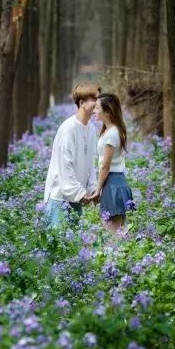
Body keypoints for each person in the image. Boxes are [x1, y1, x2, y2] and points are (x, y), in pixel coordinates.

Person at [43, 83, 100, 227]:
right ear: (82, 103)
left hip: (76, 199)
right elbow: (64, 166)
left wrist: (93, 189)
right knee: (57, 246)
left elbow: (90, 164)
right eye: (94, 99)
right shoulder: (68, 128)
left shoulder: (91, 129)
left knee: (73, 246)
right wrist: (81, 194)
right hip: (60, 199)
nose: (98, 102)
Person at [91, 92, 134, 237]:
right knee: (119, 233)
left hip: (112, 184)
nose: (93, 111)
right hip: (116, 182)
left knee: (114, 235)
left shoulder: (111, 134)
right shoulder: (111, 130)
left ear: (107, 111)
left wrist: (98, 190)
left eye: (97, 108)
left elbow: (105, 166)